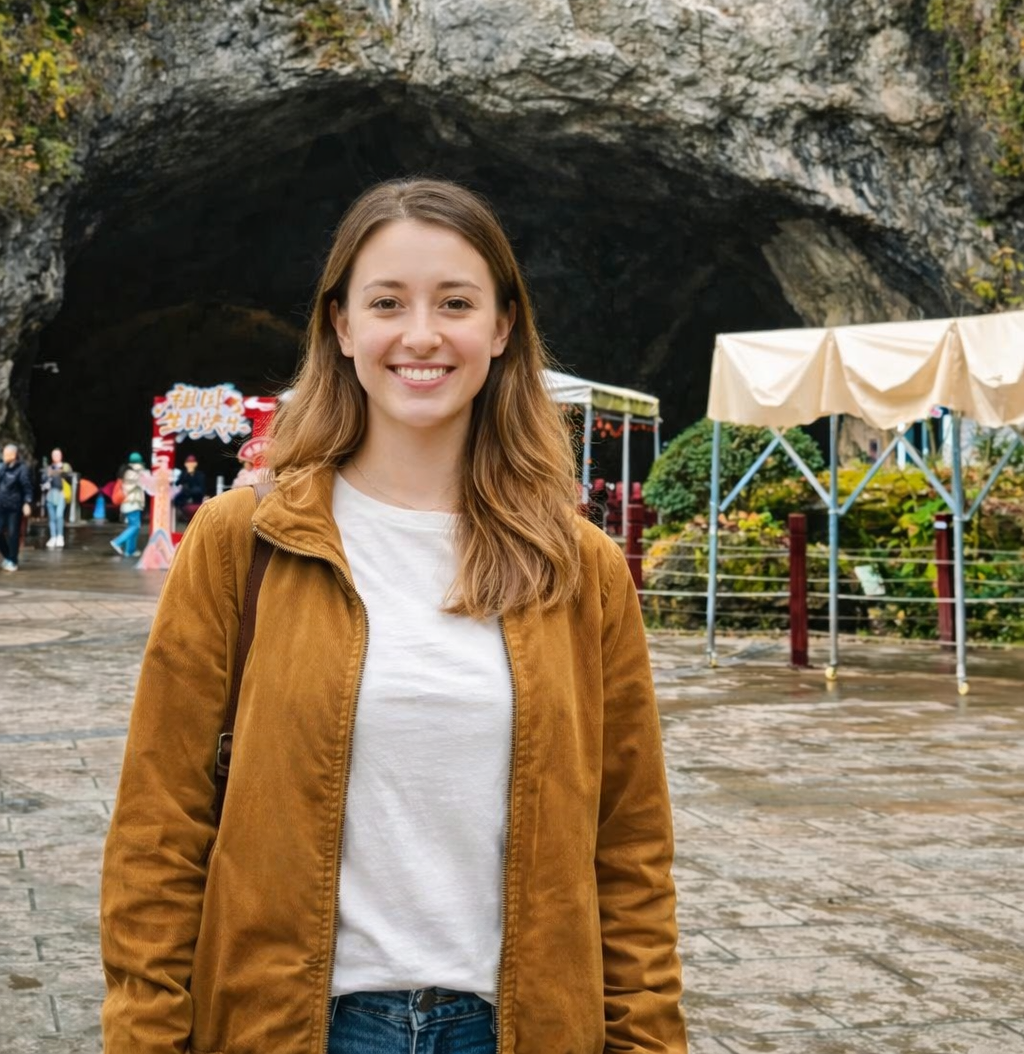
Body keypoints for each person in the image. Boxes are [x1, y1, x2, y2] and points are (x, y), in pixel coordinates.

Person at [100, 179, 687, 1054]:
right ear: (341, 327)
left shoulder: (582, 570)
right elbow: (159, 831)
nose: (421, 334)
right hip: (298, 1026)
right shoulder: (242, 544)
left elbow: (630, 850)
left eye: (455, 302)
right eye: (387, 302)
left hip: (521, 1027)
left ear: (500, 328)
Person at [0, 443, 33, 574]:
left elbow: (27, 487)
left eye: (6, 454)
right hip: (1, 505)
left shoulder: (22, 469)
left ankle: (13, 561)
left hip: (14, 506)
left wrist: (27, 502)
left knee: (13, 533)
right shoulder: (2, 467)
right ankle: (8, 555)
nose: (3, 456)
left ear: (13, 455)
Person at [109, 453, 149, 558]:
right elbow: (145, 484)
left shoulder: (127, 472)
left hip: (128, 504)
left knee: (133, 527)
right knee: (135, 526)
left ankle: (130, 551)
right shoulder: (136, 473)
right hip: (133, 504)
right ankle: (117, 542)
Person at [40, 447, 72, 548]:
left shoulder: (65, 467)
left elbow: (69, 477)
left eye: (58, 455)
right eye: (54, 455)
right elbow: (43, 479)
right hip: (50, 494)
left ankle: (60, 536)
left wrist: (60, 472)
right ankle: (53, 536)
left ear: (61, 456)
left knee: (59, 515)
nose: (56, 457)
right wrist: (47, 478)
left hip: (61, 493)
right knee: (52, 517)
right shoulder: (49, 468)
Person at [173, 453, 206, 523]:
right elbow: (177, 483)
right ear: (185, 464)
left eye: (192, 463)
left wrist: (190, 491)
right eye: (188, 463)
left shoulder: (200, 475)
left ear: (195, 464)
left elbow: (201, 489)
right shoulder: (183, 474)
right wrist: (187, 474)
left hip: (196, 501)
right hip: (185, 502)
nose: (190, 465)